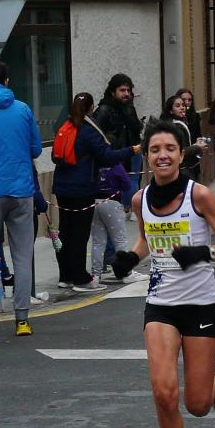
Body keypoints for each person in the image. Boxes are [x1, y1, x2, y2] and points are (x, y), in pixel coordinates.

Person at [110, 119, 215, 428]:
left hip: (201, 306)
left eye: (169, 148)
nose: (162, 155)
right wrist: (128, 258)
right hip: (161, 305)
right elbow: (148, 239)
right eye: (154, 150)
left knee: (196, 405)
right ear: (147, 157)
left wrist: (203, 252)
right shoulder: (139, 199)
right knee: (163, 392)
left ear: (181, 154)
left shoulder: (199, 196)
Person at [53, 93, 139, 292]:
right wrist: (131, 150)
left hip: (61, 187)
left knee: (66, 231)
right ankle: (81, 278)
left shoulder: (65, 126)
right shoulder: (88, 129)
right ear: (91, 108)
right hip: (81, 188)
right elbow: (106, 156)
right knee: (79, 234)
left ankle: (65, 275)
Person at [0, 60, 42, 337]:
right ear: (7, 81)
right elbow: (35, 148)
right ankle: (22, 320)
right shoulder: (23, 109)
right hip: (21, 191)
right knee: (22, 256)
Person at [93, 74, 143, 220]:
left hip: (133, 150)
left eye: (128, 90)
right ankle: (121, 208)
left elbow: (136, 128)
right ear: (112, 91)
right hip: (116, 153)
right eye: (122, 90)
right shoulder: (104, 109)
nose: (126, 93)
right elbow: (96, 132)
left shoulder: (128, 107)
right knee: (118, 183)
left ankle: (133, 210)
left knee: (133, 180)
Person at [91, 162, 148, 285]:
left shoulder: (93, 163)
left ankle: (96, 275)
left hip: (94, 202)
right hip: (112, 202)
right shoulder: (115, 165)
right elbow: (127, 184)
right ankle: (125, 272)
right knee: (120, 239)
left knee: (98, 241)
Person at [160, 94, 207, 178]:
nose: (182, 108)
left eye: (183, 105)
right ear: (171, 111)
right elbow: (180, 152)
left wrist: (196, 144)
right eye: (178, 106)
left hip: (186, 168)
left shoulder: (180, 123)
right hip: (182, 170)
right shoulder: (175, 126)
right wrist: (198, 147)